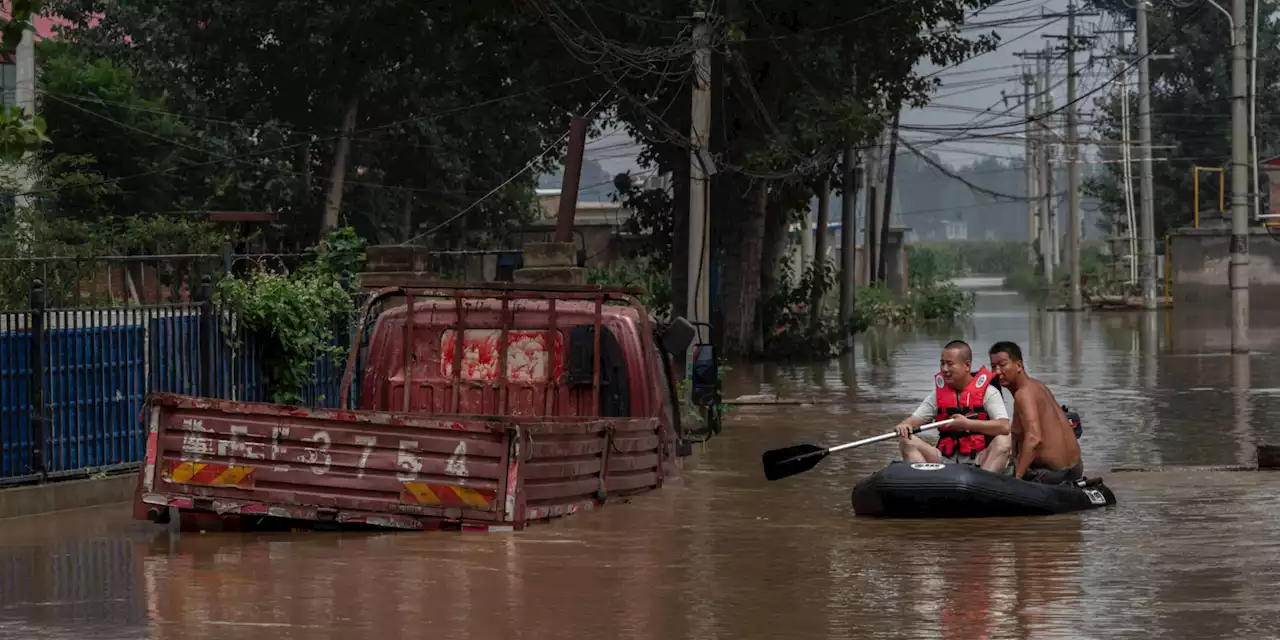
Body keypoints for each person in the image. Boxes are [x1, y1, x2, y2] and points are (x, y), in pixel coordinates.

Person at [894, 340, 1012, 472]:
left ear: (967, 365)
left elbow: (1004, 427)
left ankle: (983, 485)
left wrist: (967, 424)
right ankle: (925, 483)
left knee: (1004, 440)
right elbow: (914, 420)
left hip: (979, 460)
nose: (944, 369)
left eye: (950, 364)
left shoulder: (988, 392)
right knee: (907, 440)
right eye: (942, 363)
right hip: (945, 460)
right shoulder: (937, 395)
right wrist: (905, 425)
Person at [987, 340, 1083, 485]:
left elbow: (1034, 438)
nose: (997, 372)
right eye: (993, 367)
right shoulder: (1037, 386)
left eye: (1002, 365)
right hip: (1076, 468)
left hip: (1053, 475)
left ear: (1019, 365)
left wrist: (1017, 479)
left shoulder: (1023, 394)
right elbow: (1019, 432)